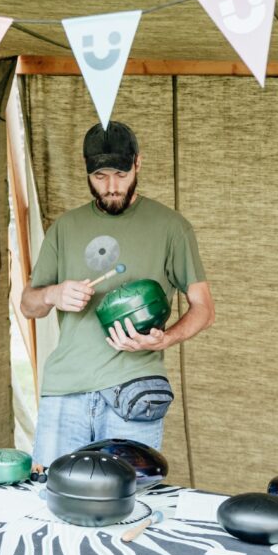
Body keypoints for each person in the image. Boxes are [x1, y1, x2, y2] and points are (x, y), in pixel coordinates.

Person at [21, 120, 215, 470]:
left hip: (134, 391)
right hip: (65, 391)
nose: (111, 187)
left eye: (121, 174)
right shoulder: (64, 228)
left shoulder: (172, 227)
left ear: (138, 163)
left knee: (126, 496)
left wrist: (166, 338)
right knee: (55, 494)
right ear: (87, 171)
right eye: (100, 177)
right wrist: (53, 293)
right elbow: (28, 305)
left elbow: (204, 308)